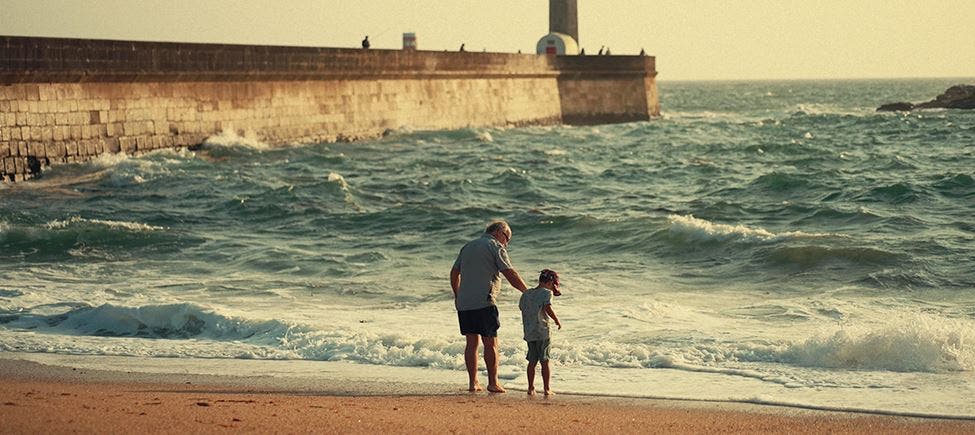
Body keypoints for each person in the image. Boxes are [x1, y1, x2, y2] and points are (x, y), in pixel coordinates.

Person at [450, 221, 528, 393]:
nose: (506, 243)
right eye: (507, 238)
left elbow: (454, 272)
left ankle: (473, 383)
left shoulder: (468, 246)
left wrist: (457, 295)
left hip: (465, 302)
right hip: (484, 301)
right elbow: (509, 272)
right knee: (490, 342)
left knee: (471, 343)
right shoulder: (495, 246)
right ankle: (493, 382)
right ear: (499, 232)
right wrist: (526, 291)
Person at [519, 269, 562, 396]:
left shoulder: (526, 293)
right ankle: (546, 388)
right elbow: (547, 308)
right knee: (545, 361)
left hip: (529, 332)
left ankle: (530, 388)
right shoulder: (547, 293)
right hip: (543, 332)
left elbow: (522, 308)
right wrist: (556, 320)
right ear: (551, 282)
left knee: (532, 361)